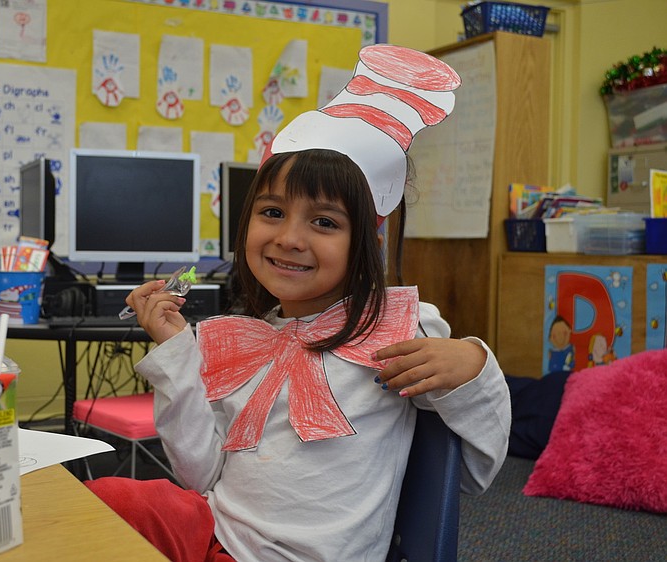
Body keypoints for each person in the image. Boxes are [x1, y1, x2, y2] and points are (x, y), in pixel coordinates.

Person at [85, 44, 511, 562]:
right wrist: (177, 352)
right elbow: (198, 476)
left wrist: (474, 366)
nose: (288, 237)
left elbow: (476, 472)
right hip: (217, 535)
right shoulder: (245, 339)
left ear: (366, 242)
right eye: (271, 211)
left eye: (324, 222)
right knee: (102, 501)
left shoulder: (398, 328)